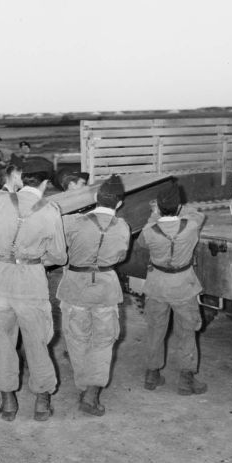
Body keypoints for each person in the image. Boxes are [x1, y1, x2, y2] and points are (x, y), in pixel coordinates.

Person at [0, 158, 67, 422]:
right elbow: (59, 255)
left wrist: (2, 246)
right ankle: (42, 401)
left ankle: (8, 401)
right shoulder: (50, 209)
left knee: (0, 341)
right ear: (46, 183)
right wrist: (32, 256)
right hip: (31, 281)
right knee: (37, 342)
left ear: (22, 178)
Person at [57, 174, 130, 416]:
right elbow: (121, 257)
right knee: (104, 341)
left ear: (96, 198)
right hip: (106, 289)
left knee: (76, 339)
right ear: (119, 203)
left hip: (75, 287)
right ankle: (93, 389)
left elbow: (61, 250)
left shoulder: (73, 222)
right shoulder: (123, 227)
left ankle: (84, 385)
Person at [137, 182, 207, 395]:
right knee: (187, 332)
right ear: (178, 207)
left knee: (155, 330)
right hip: (183, 285)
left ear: (158, 206)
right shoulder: (192, 226)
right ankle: (186, 380)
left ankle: (152, 375)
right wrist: (178, 207)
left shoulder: (149, 230)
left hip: (157, 285)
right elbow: (198, 214)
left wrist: (154, 214)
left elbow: (141, 243)